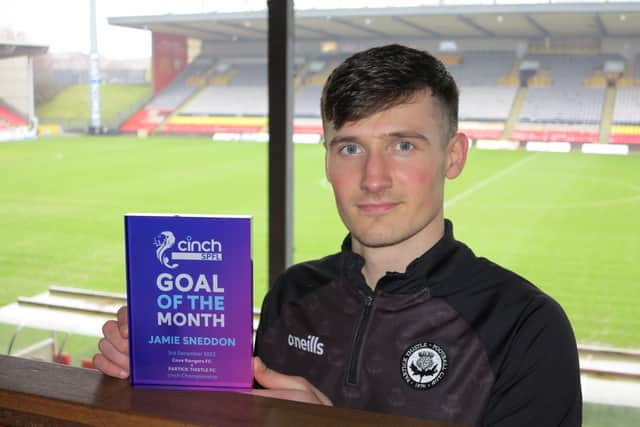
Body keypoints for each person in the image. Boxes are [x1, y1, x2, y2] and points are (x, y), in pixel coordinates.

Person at [93, 44, 582, 426]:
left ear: (453, 156)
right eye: (350, 148)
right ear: (327, 159)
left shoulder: (524, 327)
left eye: (403, 145)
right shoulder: (292, 295)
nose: (373, 178)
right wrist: (160, 368)